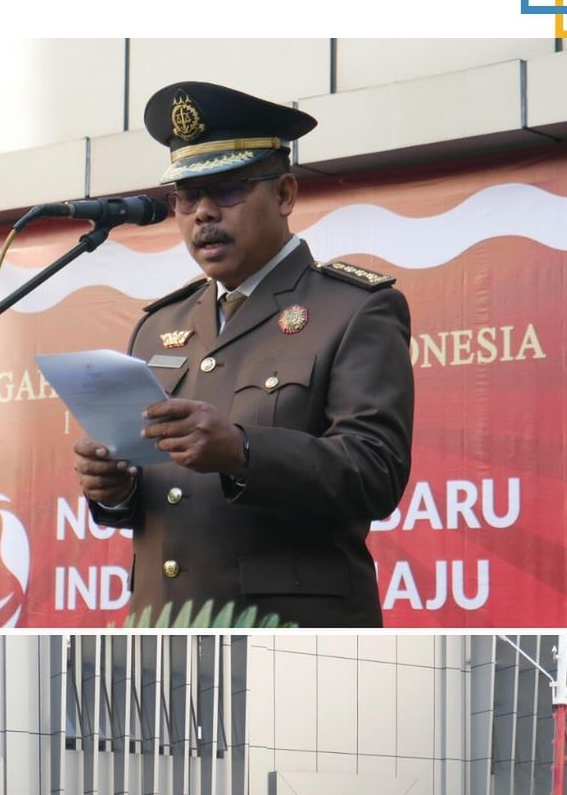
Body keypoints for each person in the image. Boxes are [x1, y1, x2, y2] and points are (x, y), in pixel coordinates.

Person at [73, 81, 414, 628]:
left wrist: (244, 450)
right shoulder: (159, 325)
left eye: (227, 190)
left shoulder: (353, 309)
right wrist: (116, 489)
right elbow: (163, 492)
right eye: (187, 196)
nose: (204, 213)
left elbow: (376, 473)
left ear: (283, 195)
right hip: (165, 623)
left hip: (288, 627)